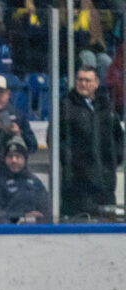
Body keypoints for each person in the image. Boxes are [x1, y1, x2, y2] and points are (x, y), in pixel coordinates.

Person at [57, 65, 125, 219]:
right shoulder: (66, 106)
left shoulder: (106, 107)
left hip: (105, 186)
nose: (83, 84)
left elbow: (119, 136)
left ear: (96, 83)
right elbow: (55, 138)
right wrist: (70, 162)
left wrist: (115, 160)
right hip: (77, 187)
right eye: (80, 80)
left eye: (88, 80)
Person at [0, 136, 51, 224]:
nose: (14, 160)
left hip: (35, 234)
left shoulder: (34, 182)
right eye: (10, 156)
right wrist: (21, 217)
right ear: (4, 159)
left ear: (25, 159)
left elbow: (47, 210)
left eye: (18, 156)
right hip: (6, 234)